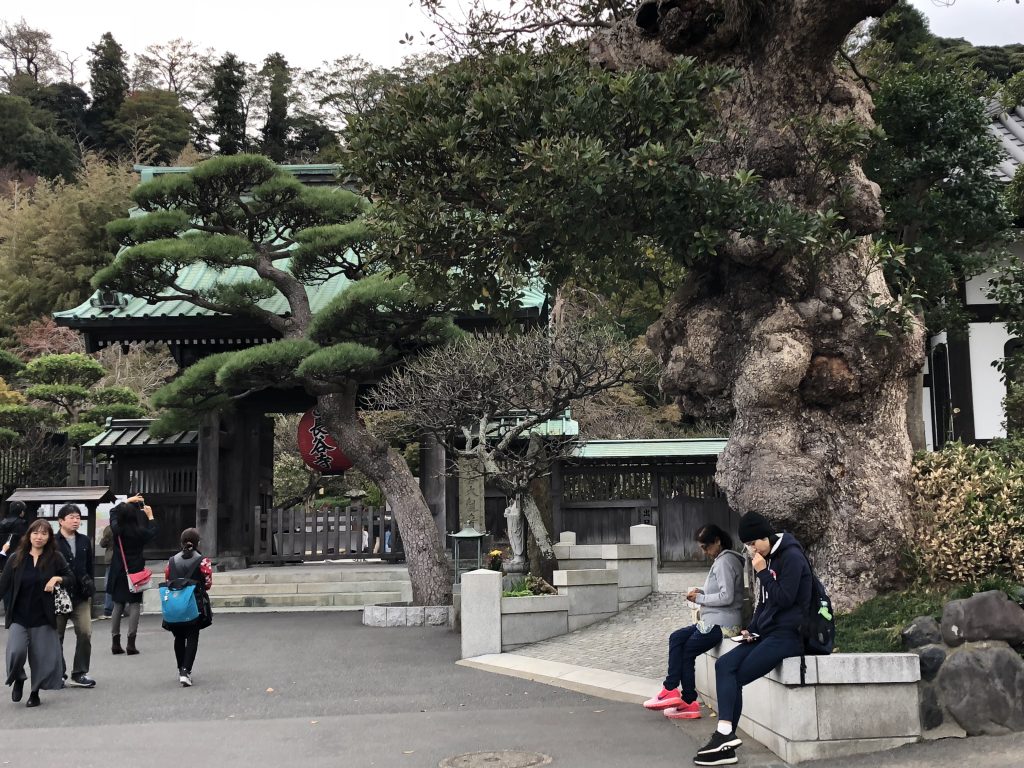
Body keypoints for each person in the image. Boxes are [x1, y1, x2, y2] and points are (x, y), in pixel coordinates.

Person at [693, 511, 811, 767]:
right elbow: (764, 603)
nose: (751, 550)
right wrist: (752, 627)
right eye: (747, 545)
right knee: (724, 665)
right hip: (767, 633)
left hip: (789, 636)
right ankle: (725, 736)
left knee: (737, 674)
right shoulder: (767, 558)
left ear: (765, 537)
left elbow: (785, 598)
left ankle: (724, 737)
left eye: (753, 543)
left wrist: (763, 573)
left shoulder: (791, 556)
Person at [644, 524, 744, 720]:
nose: (705, 552)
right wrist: (702, 593)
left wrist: (700, 599)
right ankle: (675, 691)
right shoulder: (723, 560)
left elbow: (727, 597)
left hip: (721, 623)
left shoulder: (725, 562)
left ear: (717, 541)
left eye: (706, 547)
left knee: (686, 650)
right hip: (713, 620)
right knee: (677, 638)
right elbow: (721, 594)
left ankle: (686, 699)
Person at [0, 518, 75, 707]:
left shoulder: (55, 557)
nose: (39, 537)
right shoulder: (15, 558)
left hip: (43, 616)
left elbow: (70, 578)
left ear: (49, 537)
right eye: (35, 533)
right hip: (19, 616)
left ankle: (34, 693)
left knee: (40, 658)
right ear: (29, 535)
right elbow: (3, 586)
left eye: (44, 533)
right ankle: (19, 677)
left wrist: (57, 578)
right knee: (16, 652)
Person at [162, 527, 213, 687]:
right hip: (193, 604)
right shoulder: (203, 561)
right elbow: (208, 583)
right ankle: (186, 671)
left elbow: (168, 578)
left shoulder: (171, 561)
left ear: (181, 542)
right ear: (198, 542)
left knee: (179, 636)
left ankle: (180, 669)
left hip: (175, 604)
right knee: (192, 636)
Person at [107, 495, 157, 656]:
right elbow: (153, 532)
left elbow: (113, 511)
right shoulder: (140, 532)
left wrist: (127, 501)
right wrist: (150, 516)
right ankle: (131, 643)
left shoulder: (117, 530)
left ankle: (115, 642)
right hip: (135, 571)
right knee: (134, 604)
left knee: (117, 605)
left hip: (118, 570)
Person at [54, 504, 96, 688]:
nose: (76, 520)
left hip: (80, 595)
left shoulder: (85, 541)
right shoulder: (52, 542)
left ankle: (79, 673)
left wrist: (90, 586)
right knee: (56, 636)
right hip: (58, 595)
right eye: (71, 517)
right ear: (61, 521)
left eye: (78, 517)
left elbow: (90, 566)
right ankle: (58, 672)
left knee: (85, 632)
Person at [0, 501, 29, 572]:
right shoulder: (22, 523)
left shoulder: (2, 522)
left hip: (2, 555)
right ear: (21, 511)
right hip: (17, 556)